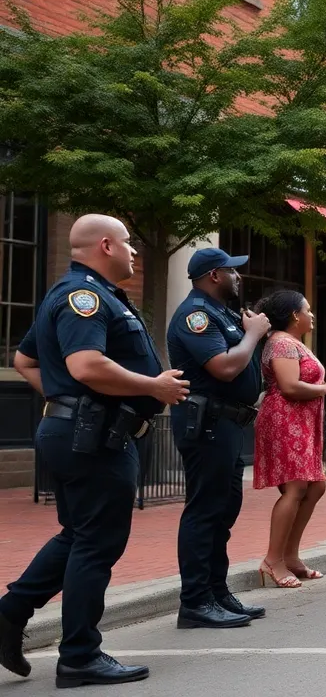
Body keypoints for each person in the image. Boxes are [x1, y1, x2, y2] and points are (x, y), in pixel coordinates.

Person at [0, 214, 188, 687]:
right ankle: (80, 655)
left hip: (81, 432)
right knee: (97, 543)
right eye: (128, 244)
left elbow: (24, 360)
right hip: (94, 437)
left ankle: (9, 615)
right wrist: (152, 386)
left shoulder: (77, 295)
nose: (134, 253)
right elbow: (86, 365)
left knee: (79, 535)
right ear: (105, 245)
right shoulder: (82, 297)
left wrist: (63, 401)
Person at [168, 248, 270, 629]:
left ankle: (216, 591)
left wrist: (247, 331)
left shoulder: (223, 314)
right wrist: (254, 335)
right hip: (207, 422)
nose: (238, 277)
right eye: (232, 271)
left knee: (223, 512)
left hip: (228, 424)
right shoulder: (195, 315)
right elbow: (225, 367)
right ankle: (194, 601)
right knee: (205, 512)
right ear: (214, 276)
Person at [253, 291, 326, 587]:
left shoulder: (292, 343)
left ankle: (290, 556)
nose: (311, 315)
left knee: (315, 486)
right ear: (294, 315)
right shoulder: (280, 343)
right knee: (296, 487)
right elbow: (289, 386)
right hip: (284, 418)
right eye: (307, 310)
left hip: (301, 421)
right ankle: (272, 560)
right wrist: (325, 389)